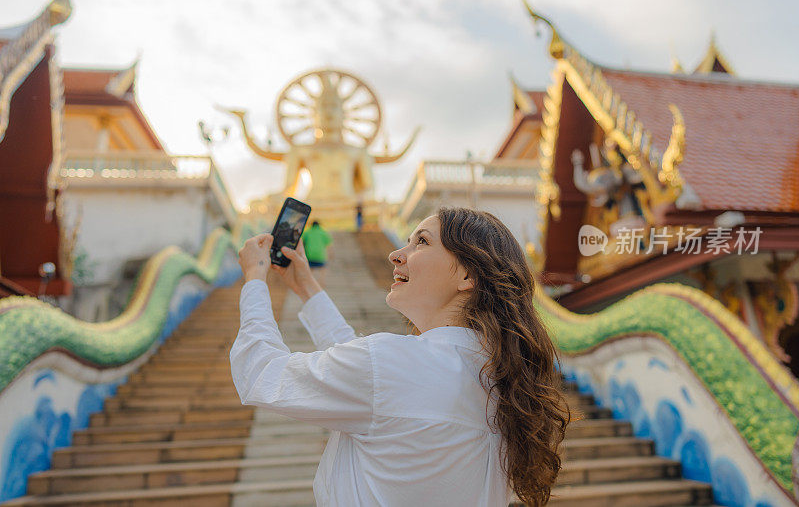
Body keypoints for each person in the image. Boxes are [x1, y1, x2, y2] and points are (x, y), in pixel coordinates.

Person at [232, 207, 570, 506]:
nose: (396, 253)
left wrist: (255, 281)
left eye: (421, 242)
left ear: (468, 275)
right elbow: (373, 379)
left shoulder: (390, 366)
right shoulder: (499, 377)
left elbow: (261, 373)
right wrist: (306, 286)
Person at [301, 220, 332, 286]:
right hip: (320, 255)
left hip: (309, 255)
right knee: (323, 269)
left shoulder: (307, 232)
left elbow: (302, 243)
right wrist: (330, 254)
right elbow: (328, 245)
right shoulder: (323, 232)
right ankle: (322, 282)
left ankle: (310, 282)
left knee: (310, 270)